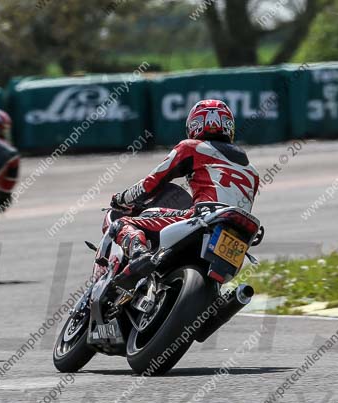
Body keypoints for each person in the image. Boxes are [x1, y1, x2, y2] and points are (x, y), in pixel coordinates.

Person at [108, 99, 260, 288]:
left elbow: (150, 184)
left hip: (203, 218)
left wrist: (121, 199)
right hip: (236, 236)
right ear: (229, 127)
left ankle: (139, 255)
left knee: (121, 223)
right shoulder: (252, 172)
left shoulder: (191, 147)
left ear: (194, 125)